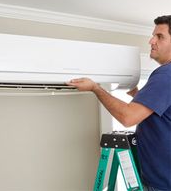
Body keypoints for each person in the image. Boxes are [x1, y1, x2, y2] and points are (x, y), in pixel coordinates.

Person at [67, 15, 171, 191]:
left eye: (160, 36)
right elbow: (163, 113)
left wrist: (96, 88)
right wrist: (139, 96)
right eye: (153, 35)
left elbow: (127, 117)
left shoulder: (165, 75)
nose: (151, 41)